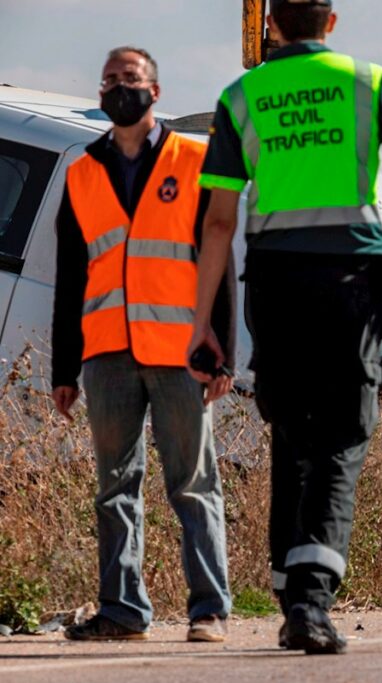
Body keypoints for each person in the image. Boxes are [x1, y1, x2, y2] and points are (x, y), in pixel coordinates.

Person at [187, 0, 382, 655]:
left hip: (273, 283)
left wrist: (203, 326)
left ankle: (289, 587)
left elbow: (216, 223)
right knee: (342, 432)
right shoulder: (370, 82)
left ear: (271, 24)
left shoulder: (242, 94)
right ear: (331, 23)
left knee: (291, 427)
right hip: (349, 283)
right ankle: (309, 600)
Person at [50, 46, 235, 642]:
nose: (117, 88)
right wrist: (62, 369)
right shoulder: (81, 173)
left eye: (129, 79)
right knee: (114, 488)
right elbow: (70, 279)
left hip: (182, 352)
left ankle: (209, 611)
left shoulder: (192, 157)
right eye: (108, 80)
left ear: (155, 91)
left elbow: (218, 253)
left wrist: (222, 349)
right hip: (106, 357)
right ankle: (124, 611)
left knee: (193, 483)